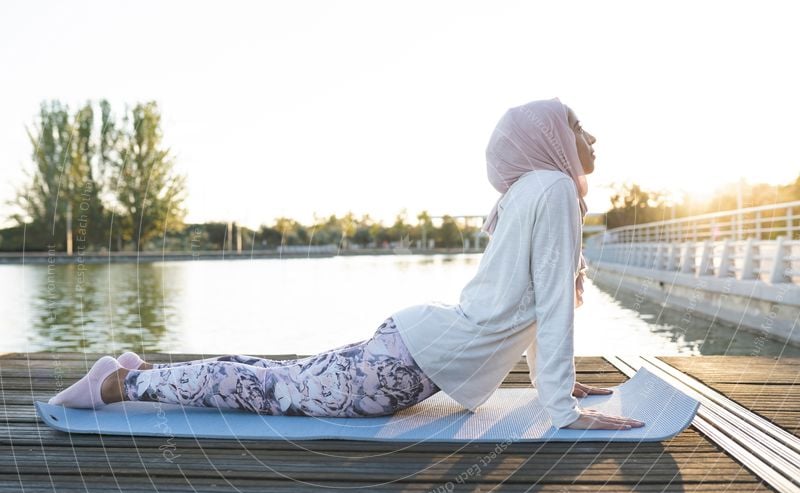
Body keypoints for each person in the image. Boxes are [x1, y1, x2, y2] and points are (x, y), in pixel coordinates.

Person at [49, 97, 644, 431]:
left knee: (270, 379)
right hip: (408, 361)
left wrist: (555, 385)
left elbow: (533, 302)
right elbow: (545, 305)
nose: (588, 135)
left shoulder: (534, 190)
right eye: (574, 126)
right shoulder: (556, 192)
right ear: (545, 139)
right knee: (268, 390)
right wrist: (562, 408)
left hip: (413, 345)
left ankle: (136, 367)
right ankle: (120, 381)